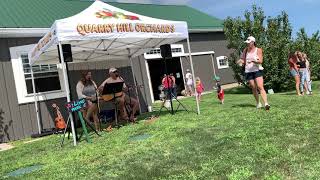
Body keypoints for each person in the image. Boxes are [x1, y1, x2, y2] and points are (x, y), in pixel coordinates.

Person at [237, 36, 270, 110]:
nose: (247, 44)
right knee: (253, 87)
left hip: (257, 70)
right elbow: (243, 60)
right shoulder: (245, 50)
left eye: (249, 43)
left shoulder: (258, 50)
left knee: (260, 86)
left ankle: (266, 103)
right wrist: (240, 62)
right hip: (248, 71)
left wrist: (253, 61)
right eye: (247, 43)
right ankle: (258, 103)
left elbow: (261, 61)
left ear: (253, 42)